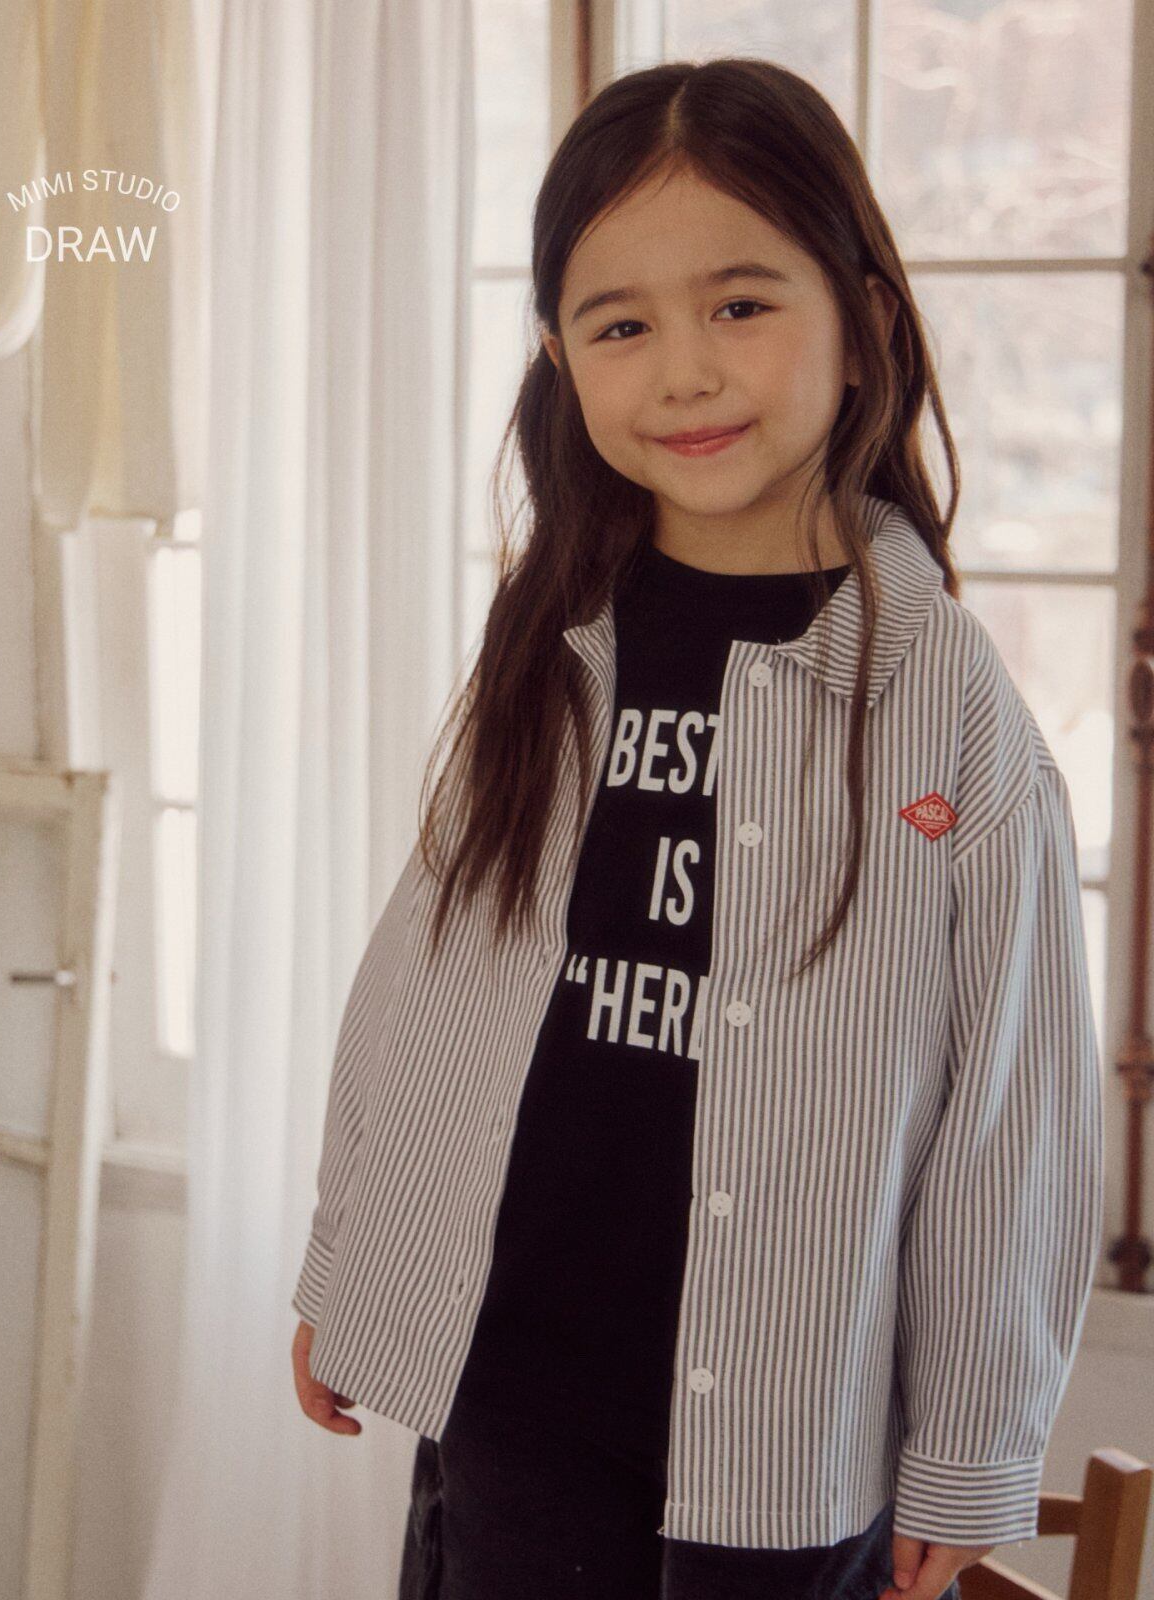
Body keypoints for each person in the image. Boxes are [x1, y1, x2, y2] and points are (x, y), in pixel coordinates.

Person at [289, 56, 1105, 1600]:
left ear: (864, 324)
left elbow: (1015, 1115)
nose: (684, 372)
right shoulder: (546, 648)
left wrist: (974, 1442)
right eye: (621, 325)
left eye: (740, 304)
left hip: (784, 1429)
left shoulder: (947, 703)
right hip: (515, 1388)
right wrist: (352, 1257)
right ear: (559, 359)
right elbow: (423, 978)